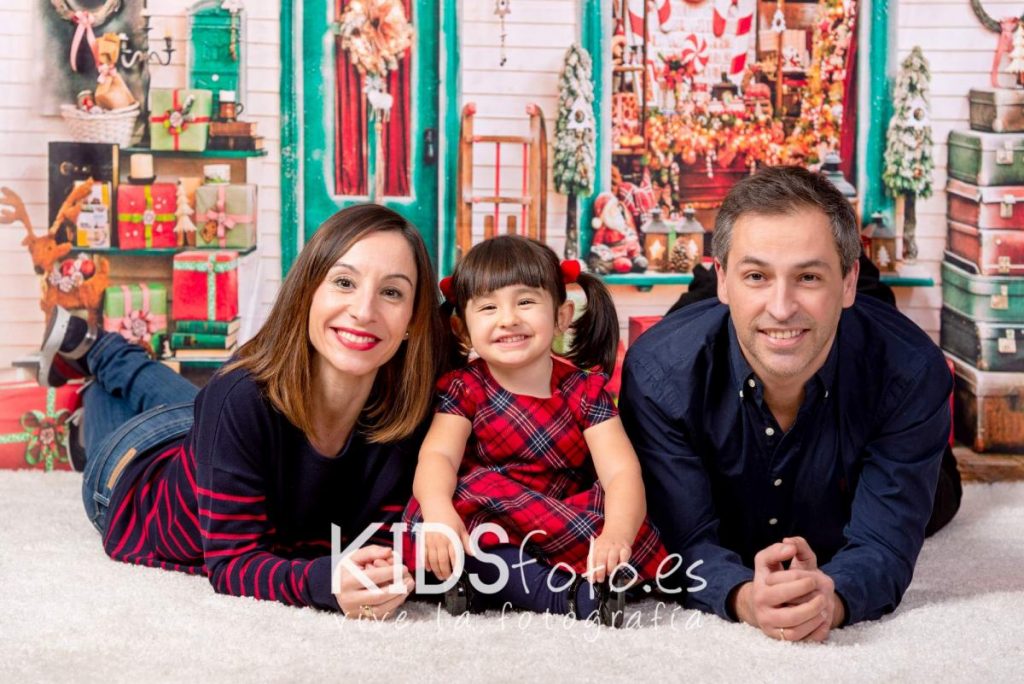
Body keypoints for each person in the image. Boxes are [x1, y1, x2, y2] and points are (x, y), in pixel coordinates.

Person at [37, 204, 445, 618]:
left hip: (205, 437)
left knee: (198, 403)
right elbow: (232, 565)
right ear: (307, 292)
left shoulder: (411, 408)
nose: (364, 311)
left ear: (414, 317)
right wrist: (324, 584)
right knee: (168, 401)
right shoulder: (239, 397)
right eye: (343, 282)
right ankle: (98, 361)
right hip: (129, 473)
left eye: (392, 292)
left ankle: (90, 347)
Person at [619, 166, 959, 642]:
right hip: (708, 341)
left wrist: (834, 600)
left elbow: (884, 543)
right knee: (717, 332)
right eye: (756, 274)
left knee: (937, 503)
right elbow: (684, 538)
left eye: (809, 276)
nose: (782, 304)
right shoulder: (659, 374)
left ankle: (818, 276)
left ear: (845, 283)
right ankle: (767, 276)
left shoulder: (911, 373)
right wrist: (742, 598)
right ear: (724, 280)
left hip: (863, 345)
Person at [403, 235, 666, 627]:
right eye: (489, 307)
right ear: (461, 328)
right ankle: (567, 596)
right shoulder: (465, 387)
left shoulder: (583, 388)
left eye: (525, 302)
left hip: (558, 514)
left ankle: (567, 580)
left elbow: (621, 471)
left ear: (562, 316)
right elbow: (438, 456)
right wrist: (440, 511)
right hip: (488, 515)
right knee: (452, 507)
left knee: (612, 515)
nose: (508, 319)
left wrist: (617, 535)